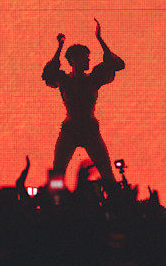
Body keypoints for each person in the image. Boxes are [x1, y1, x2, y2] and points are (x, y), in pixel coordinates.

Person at [42, 19, 125, 191]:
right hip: (70, 128)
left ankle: (115, 199)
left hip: (89, 128)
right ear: (73, 60)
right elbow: (49, 74)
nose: (88, 60)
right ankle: (56, 201)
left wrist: (100, 39)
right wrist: (59, 47)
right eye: (84, 58)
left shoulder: (93, 79)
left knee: (106, 171)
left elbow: (116, 64)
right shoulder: (65, 80)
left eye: (88, 57)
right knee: (58, 172)